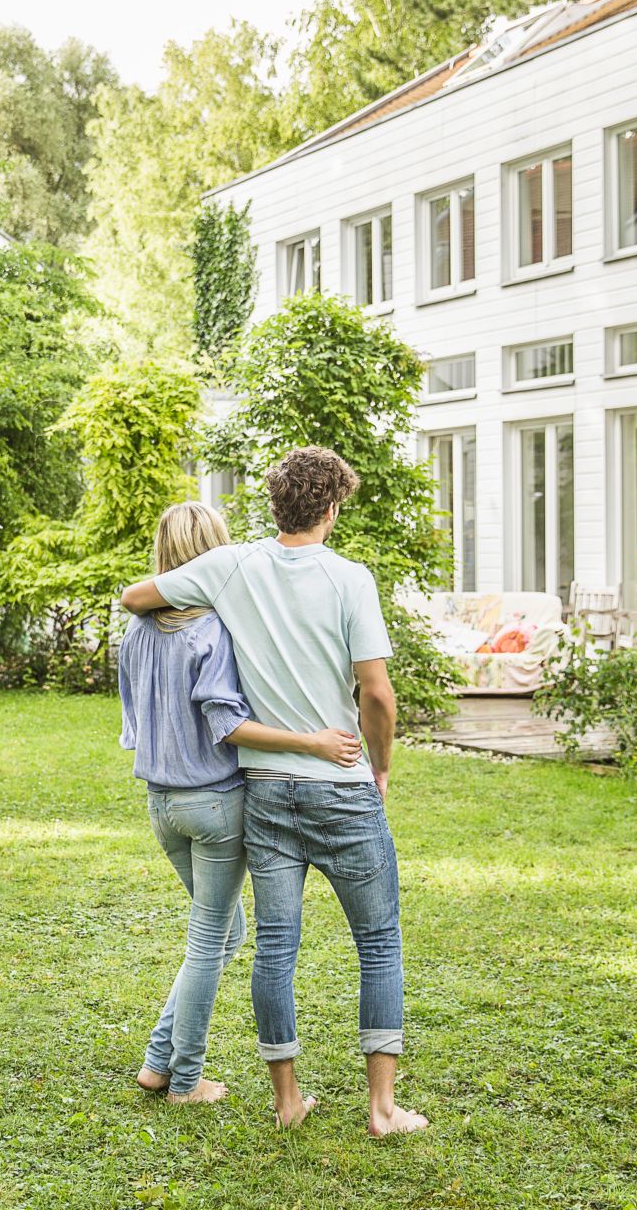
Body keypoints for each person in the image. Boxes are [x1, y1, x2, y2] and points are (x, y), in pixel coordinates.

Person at [119, 448, 428, 1136]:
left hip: (265, 792)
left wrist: (175, 591)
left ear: (274, 505)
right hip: (340, 784)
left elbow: (138, 597)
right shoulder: (351, 578)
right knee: (378, 943)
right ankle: (382, 1110)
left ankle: (287, 1103)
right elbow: (376, 693)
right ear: (330, 508)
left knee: (274, 949)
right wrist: (380, 766)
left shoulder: (233, 567)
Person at [120, 501, 365, 1107]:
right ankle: (184, 1080)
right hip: (216, 805)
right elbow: (225, 724)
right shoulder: (213, 631)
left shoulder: (134, 632)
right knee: (211, 939)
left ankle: (157, 1061)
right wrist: (311, 739)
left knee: (224, 933)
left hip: (161, 805)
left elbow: (134, 722)